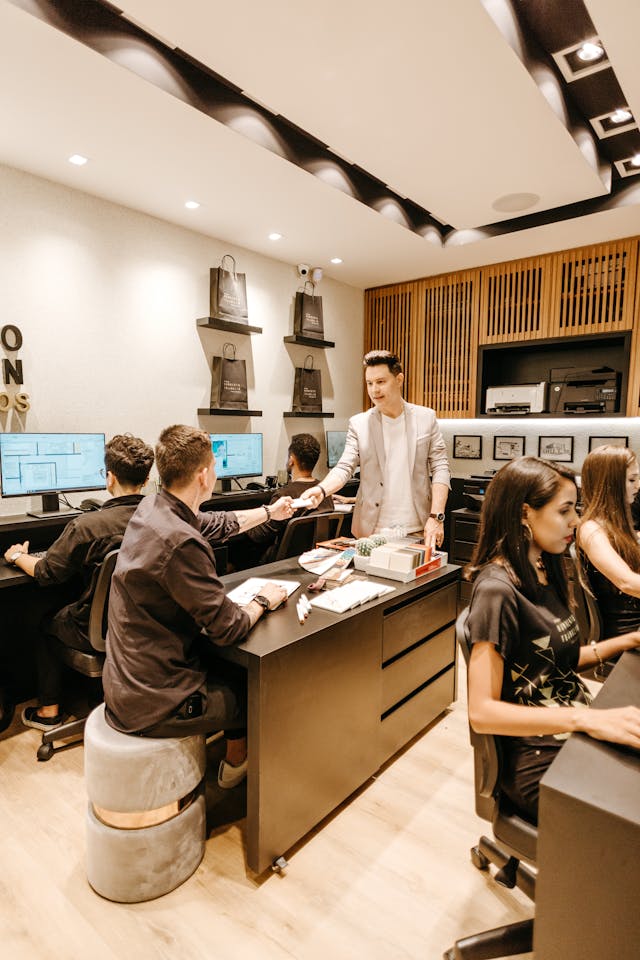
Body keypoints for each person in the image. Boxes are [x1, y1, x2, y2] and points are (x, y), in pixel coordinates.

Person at [102, 424, 294, 789]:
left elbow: (218, 523)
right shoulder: (180, 541)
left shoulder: (154, 508)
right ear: (205, 475)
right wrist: (263, 599)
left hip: (128, 680)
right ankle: (235, 770)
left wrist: (270, 512)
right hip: (154, 700)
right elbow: (230, 627)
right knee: (255, 689)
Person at [465, 456, 640, 824]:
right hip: (535, 754)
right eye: (565, 510)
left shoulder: (546, 568)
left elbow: (548, 663)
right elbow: (481, 713)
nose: (576, 520)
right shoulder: (497, 591)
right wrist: (584, 721)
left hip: (568, 724)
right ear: (525, 514)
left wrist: (624, 643)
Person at [3, 434, 155, 731]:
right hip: (146, 623)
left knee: (44, 622)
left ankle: (49, 712)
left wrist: (19, 556)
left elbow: (47, 572)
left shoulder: (86, 527)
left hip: (99, 630)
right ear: (147, 479)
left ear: (109, 477)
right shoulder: (161, 516)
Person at [300, 350, 450, 551]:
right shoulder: (359, 423)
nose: (374, 390)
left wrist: (436, 517)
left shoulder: (426, 418)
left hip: (417, 528)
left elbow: (441, 468)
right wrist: (321, 489)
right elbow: (344, 467)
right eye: (369, 383)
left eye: (380, 382)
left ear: (399, 379)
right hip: (372, 532)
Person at [227, 433, 333, 569]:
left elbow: (259, 535)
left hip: (281, 562)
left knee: (234, 552)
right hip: (314, 559)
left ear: (291, 460)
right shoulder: (324, 492)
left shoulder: (285, 494)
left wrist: (244, 517)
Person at [577, 444, 640, 639]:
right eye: (631, 480)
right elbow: (626, 582)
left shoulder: (617, 526)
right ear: (609, 484)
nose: (638, 486)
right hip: (627, 632)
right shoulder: (591, 530)